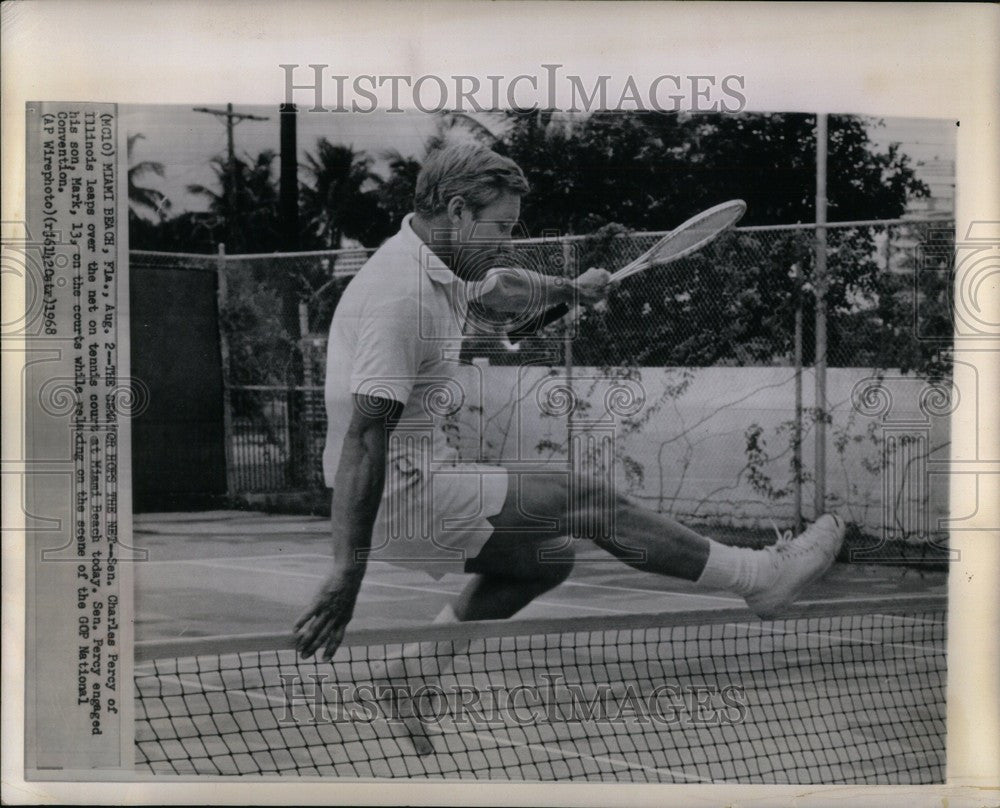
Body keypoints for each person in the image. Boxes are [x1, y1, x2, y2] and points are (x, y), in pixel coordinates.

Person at [295, 142, 844, 663]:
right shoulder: (400, 295)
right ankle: (759, 578)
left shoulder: (434, 260)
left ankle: (412, 675)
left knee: (545, 558)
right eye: (502, 227)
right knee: (586, 501)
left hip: (411, 482)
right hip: (397, 495)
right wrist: (347, 574)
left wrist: (569, 289)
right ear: (458, 211)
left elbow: (501, 287)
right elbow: (364, 441)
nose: (507, 241)